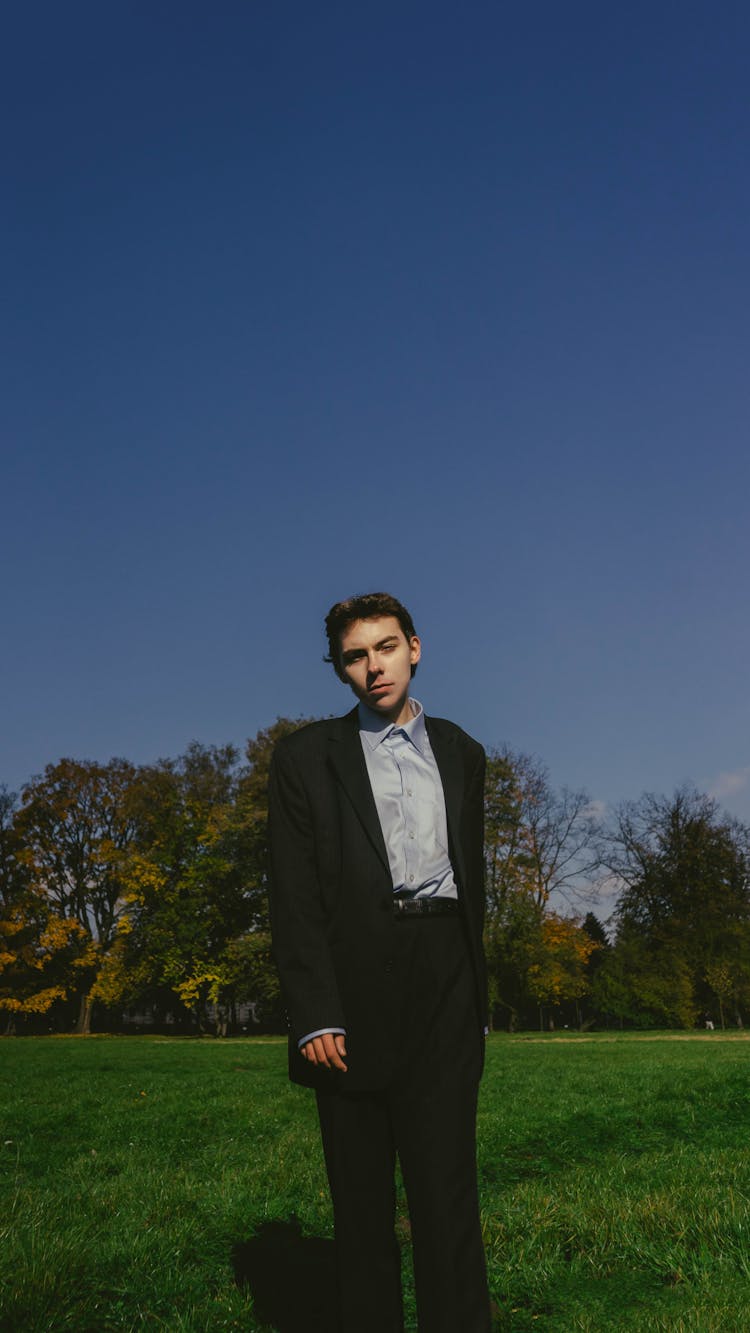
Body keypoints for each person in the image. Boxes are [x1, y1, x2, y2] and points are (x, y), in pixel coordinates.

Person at [268, 591, 492, 1332]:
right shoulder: (305, 758)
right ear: (339, 669)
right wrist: (314, 1011)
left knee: (447, 1197)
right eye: (355, 656)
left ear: (415, 648)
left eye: (386, 647)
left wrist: (472, 1000)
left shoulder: (462, 751)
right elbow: (293, 895)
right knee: (362, 1209)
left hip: (445, 982)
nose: (374, 666)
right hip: (353, 983)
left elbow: (471, 879)